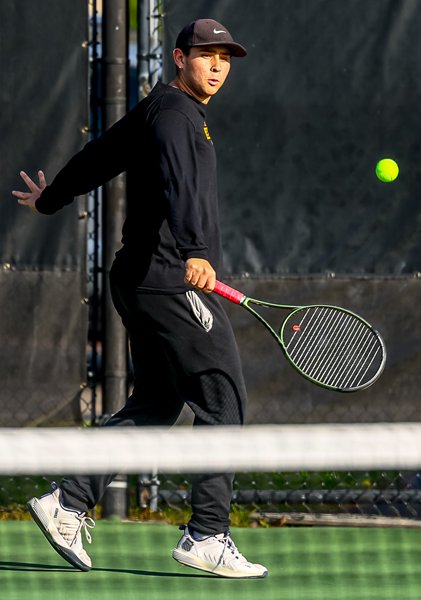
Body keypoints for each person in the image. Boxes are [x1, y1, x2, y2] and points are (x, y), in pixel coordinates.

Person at [12, 19, 268, 579]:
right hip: (168, 276)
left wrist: (52, 197)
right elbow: (179, 182)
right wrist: (196, 249)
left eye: (226, 57)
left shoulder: (162, 110)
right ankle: (207, 533)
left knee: (157, 402)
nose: (219, 65)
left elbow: (103, 155)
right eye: (207, 55)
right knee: (223, 395)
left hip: (139, 276)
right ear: (179, 58)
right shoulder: (177, 115)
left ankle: (69, 500)